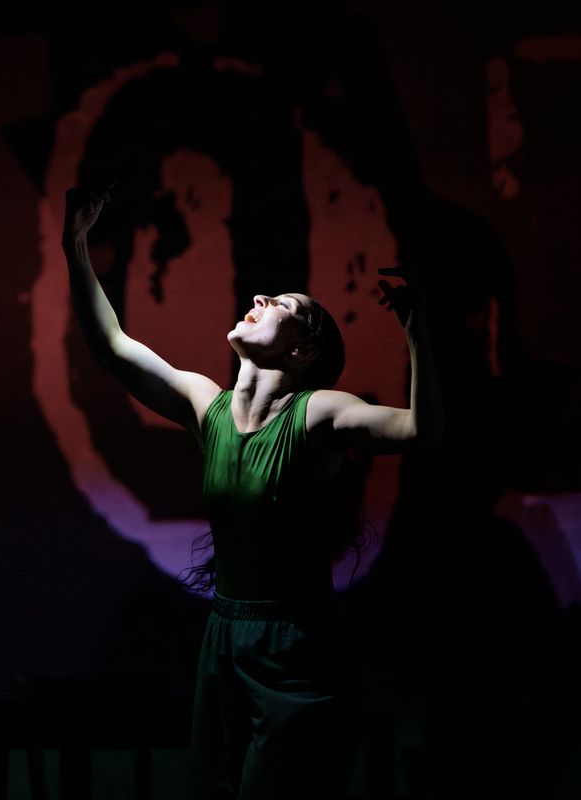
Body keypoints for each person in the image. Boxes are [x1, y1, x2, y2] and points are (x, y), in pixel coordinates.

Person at [61, 186, 439, 799]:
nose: (260, 297)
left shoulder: (318, 413)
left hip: (297, 646)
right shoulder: (204, 403)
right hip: (224, 639)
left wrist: (420, 334)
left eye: (282, 304)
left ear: (303, 349)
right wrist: (76, 245)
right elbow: (112, 343)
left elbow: (421, 429)